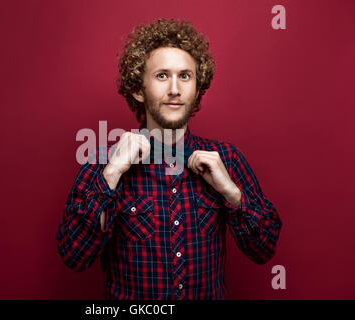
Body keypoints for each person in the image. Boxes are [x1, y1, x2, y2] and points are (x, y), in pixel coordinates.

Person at [57, 18, 282, 300]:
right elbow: (74, 256)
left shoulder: (226, 159)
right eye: (162, 75)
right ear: (139, 90)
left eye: (185, 76)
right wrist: (112, 173)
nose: (174, 89)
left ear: (197, 89)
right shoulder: (102, 162)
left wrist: (231, 193)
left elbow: (265, 249)